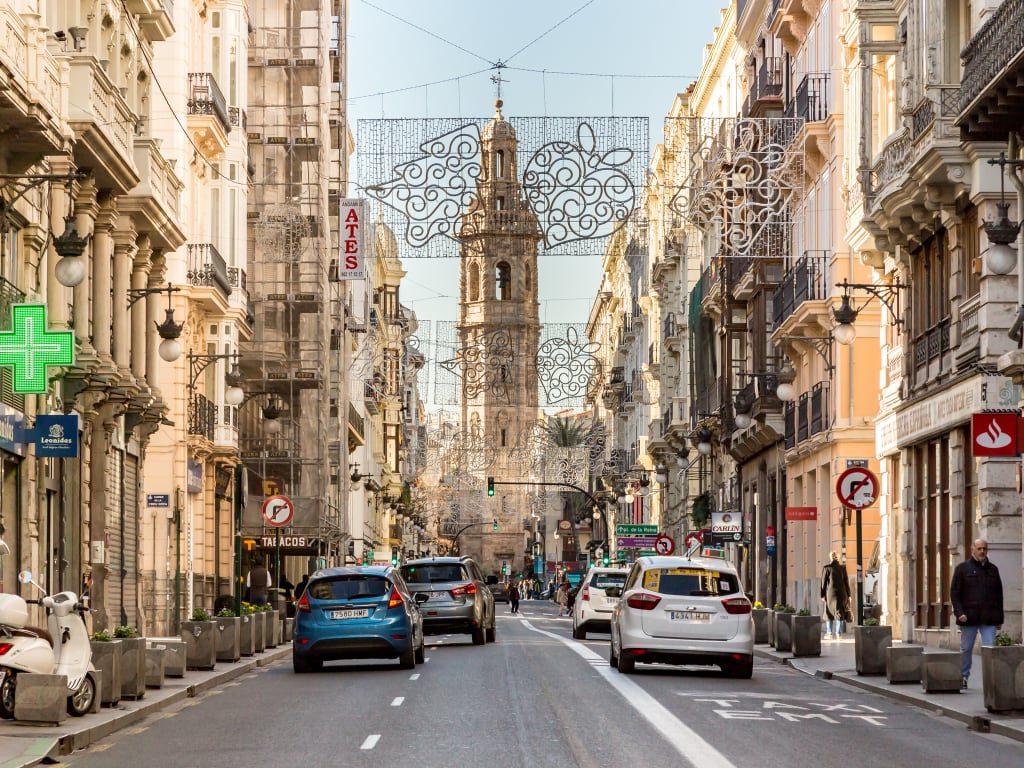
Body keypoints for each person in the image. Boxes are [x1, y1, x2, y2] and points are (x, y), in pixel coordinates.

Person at [951, 538, 1004, 689]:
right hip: (969, 617)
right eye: (979, 548)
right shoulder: (962, 569)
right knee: (966, 649)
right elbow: (954, 593)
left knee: (990, 649)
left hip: (989, 617)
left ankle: (991, 680)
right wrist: (959, 613)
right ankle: (963, 676)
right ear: (972, 549)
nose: (982, 551)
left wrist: (1000, 618)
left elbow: (999, 595)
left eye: (984, 549)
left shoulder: (993, 569)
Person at [820, 551, 851, 640]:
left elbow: (823, 583)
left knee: (829, 612)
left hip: (831, 594)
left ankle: (829, 633)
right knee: (840, 612)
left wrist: (822, 595)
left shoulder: (827, 568)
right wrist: (849, 595)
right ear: (838, 557)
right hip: (842, 593)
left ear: (830, 557)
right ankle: (839, 634)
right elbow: (846, 582)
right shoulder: (843, 568)